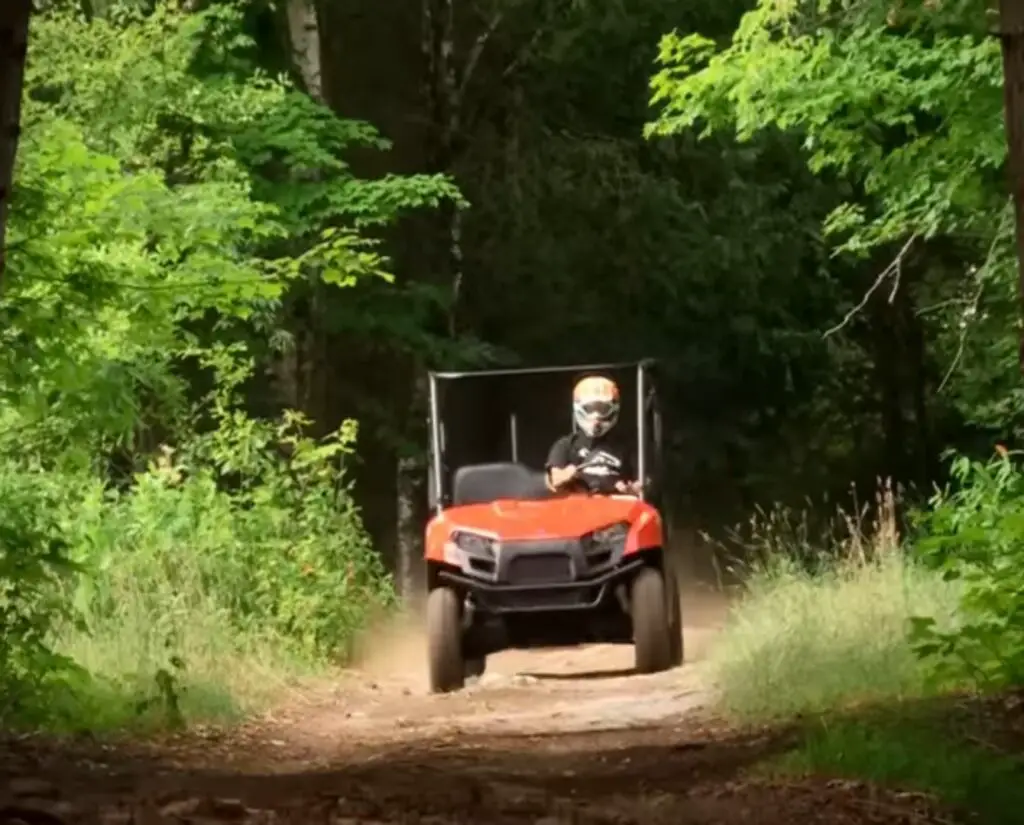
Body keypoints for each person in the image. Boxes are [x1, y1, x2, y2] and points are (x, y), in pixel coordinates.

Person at [545, 375, 641, 495]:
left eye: (602, 409)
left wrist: (632, 489)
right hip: (577, 507)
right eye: (589, 408)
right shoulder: (565, 445)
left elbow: (645, 481)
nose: (596, 416)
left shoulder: (629, 447)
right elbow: (555, 479)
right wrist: (566, 475)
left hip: (617, 507)